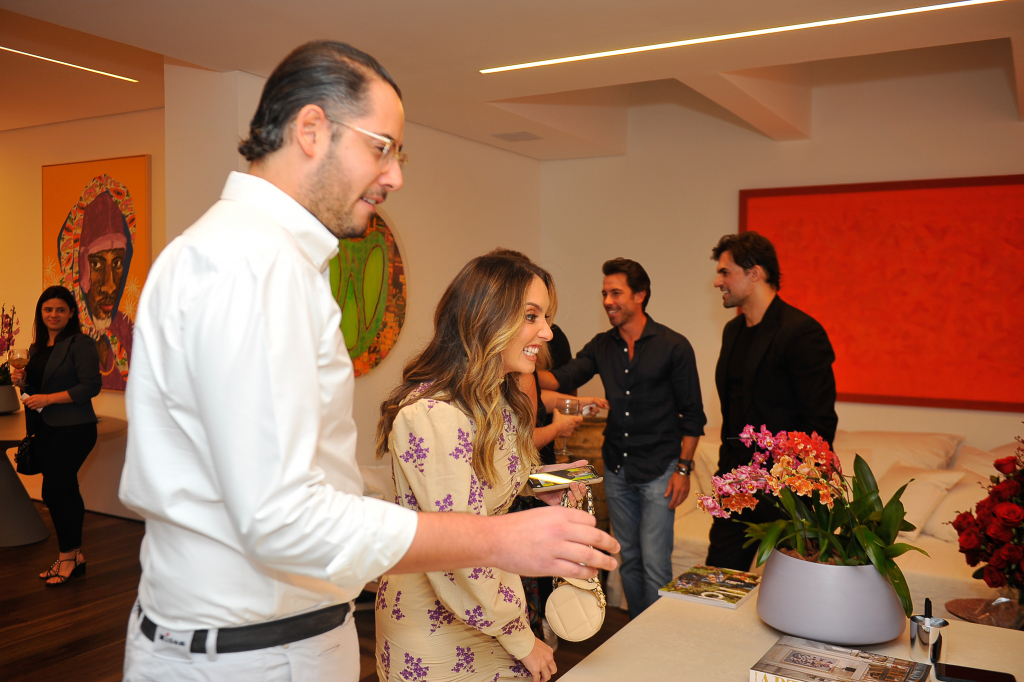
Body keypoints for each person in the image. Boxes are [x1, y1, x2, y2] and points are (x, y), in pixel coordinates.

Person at [117, 41, 617, 682]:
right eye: (382, 148)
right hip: (250, 655)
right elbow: (283, 519)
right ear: (311, 130)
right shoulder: (248, 268)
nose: (395, 176)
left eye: (398, 154)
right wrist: (497, 539)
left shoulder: (272, 263)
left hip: (280, 641)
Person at [375, 251, 596, 682]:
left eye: (545, 317)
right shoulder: (433, 416)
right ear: (487, 318)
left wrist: (543, 483)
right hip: (438, 627)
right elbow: (459, 549)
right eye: (531, 316)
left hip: (488, 605)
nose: (547, 332)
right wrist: (521, 638)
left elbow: (487, 480)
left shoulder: (498, 401)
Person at [538, 258, 706, 618]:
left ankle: (657, 639)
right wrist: (515, 363)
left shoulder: (674, 346)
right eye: (604, 293)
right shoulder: (602, 345)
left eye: (616, 293)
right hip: (617, 468)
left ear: (640, 296)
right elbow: (564, 377)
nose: (607, 301)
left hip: (660, 470)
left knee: (656, 564)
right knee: (627, 559)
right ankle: (636, 632)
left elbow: (693, 417)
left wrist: (683, 470)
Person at [706, 232, 838, 571]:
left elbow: (820, 424)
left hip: (786, 494)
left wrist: (792, 486)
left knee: (789, 591)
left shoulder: (801, 332)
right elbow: (733, 414)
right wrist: (726, 475)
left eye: (725, 272)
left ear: (755, 273)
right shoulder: (732, 331)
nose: (718, 282)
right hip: (735, 484)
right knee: (717, 579)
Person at [11, 285, 102, 585]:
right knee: (67, 490)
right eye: (48, 309)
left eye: (60, 310)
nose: (53, 314)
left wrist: (48, 399)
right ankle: (75, 555)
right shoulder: (37, 348)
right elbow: (34, 392)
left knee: (53, 491)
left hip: (75, 429)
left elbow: (90, 386)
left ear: (71, 313)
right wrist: (22, 382)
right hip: (45, 429)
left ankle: (66, 558)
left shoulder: (80, 344)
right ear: (41, 312)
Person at [57, 177, 136, 390]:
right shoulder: (64, 334)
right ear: (77, 268)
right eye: (97, 265)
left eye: (117, 263)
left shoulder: (127, 329)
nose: (109, 286)